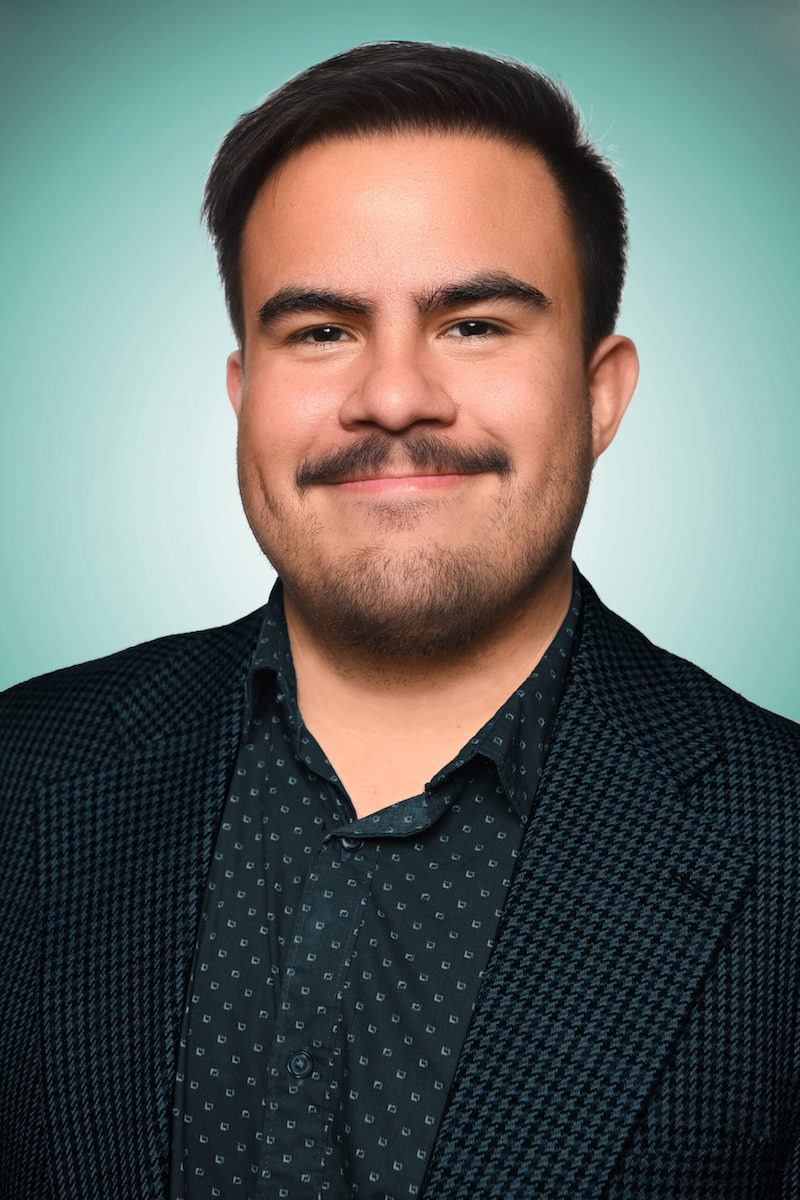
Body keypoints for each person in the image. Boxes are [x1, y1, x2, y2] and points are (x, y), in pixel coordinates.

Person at [0, 39, 798, 1200]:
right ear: (243, 397)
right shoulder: (21, 775)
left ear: (598, 391)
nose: (390, 397)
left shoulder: (781, 847)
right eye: (319, 330)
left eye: (472, 322)